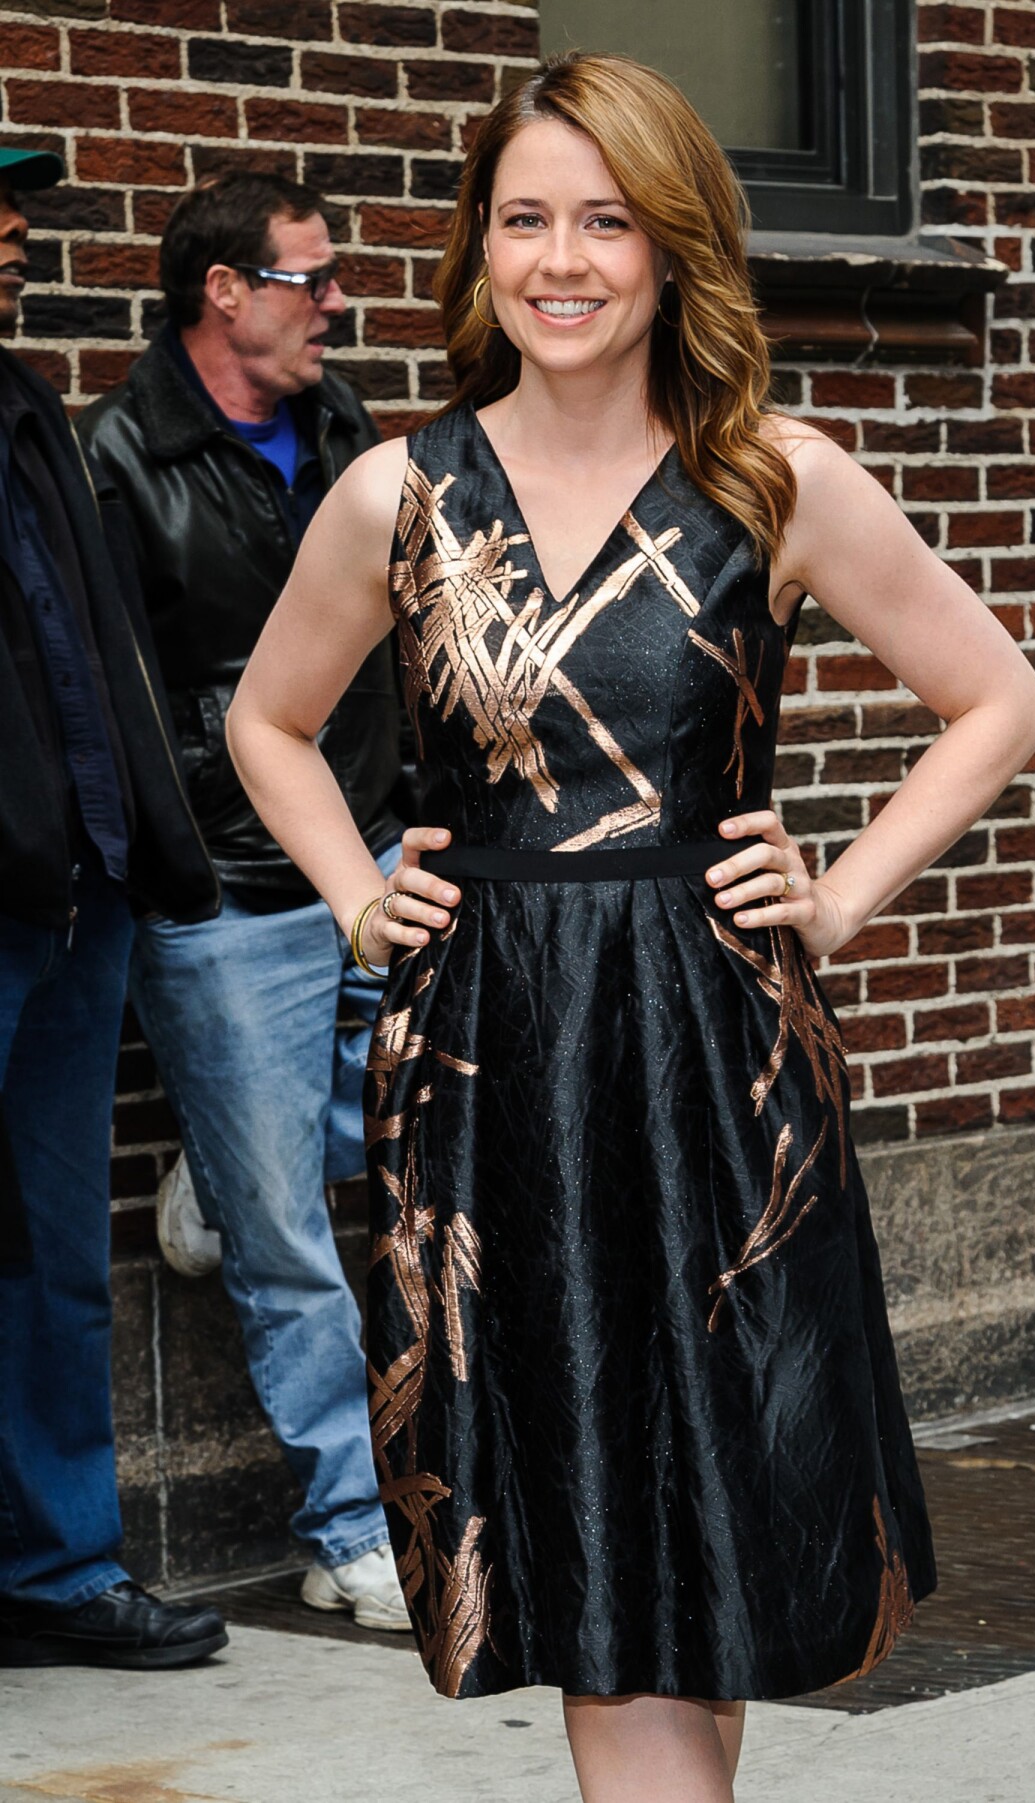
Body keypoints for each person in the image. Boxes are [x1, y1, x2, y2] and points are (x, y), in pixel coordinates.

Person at [227, 52, 1035, 1800]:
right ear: (478, 250)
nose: (564, 259)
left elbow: (996, 698)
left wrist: (837, 894)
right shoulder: (399, 496)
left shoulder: (772, 479)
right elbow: (265, 723)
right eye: (524, 218)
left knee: (717, 1505)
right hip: (496, 1059)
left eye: (608, 218)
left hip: (717, 1057)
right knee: (587, 1503)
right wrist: (361, 894)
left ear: (675, 245)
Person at [78, 172, 412, 1631]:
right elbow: (125, 696)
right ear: (227, 290)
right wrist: (187, 857)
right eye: (312, 278)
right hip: (230, 890)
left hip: (383, 849)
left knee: (438, 1089)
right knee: (288, 1233)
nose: (336, 302)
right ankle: (350, 1532)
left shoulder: (349, 436)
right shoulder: (119, 458)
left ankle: (220, 1163)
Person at [0, 146, 227, 1668]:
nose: (13, 234)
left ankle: (56, 1567)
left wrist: (139, 841)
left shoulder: (23, 410)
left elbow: (95, 661)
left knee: (49, 1244)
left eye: (16, 208)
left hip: (70, 897)